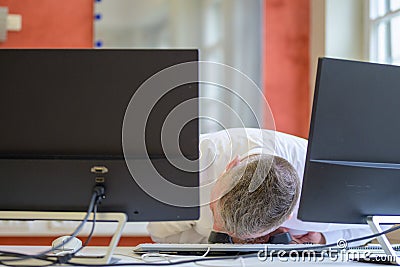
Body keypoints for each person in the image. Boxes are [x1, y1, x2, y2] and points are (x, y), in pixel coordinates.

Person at [147, 128, 373, 246]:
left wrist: (322, 239)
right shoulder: (188, 165)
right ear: (230, 166)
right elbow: (160, 234)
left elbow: (373, 227)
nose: (216, 228)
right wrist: (214, 244)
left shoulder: (327, 175)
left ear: (287, 217)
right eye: (213, 209)